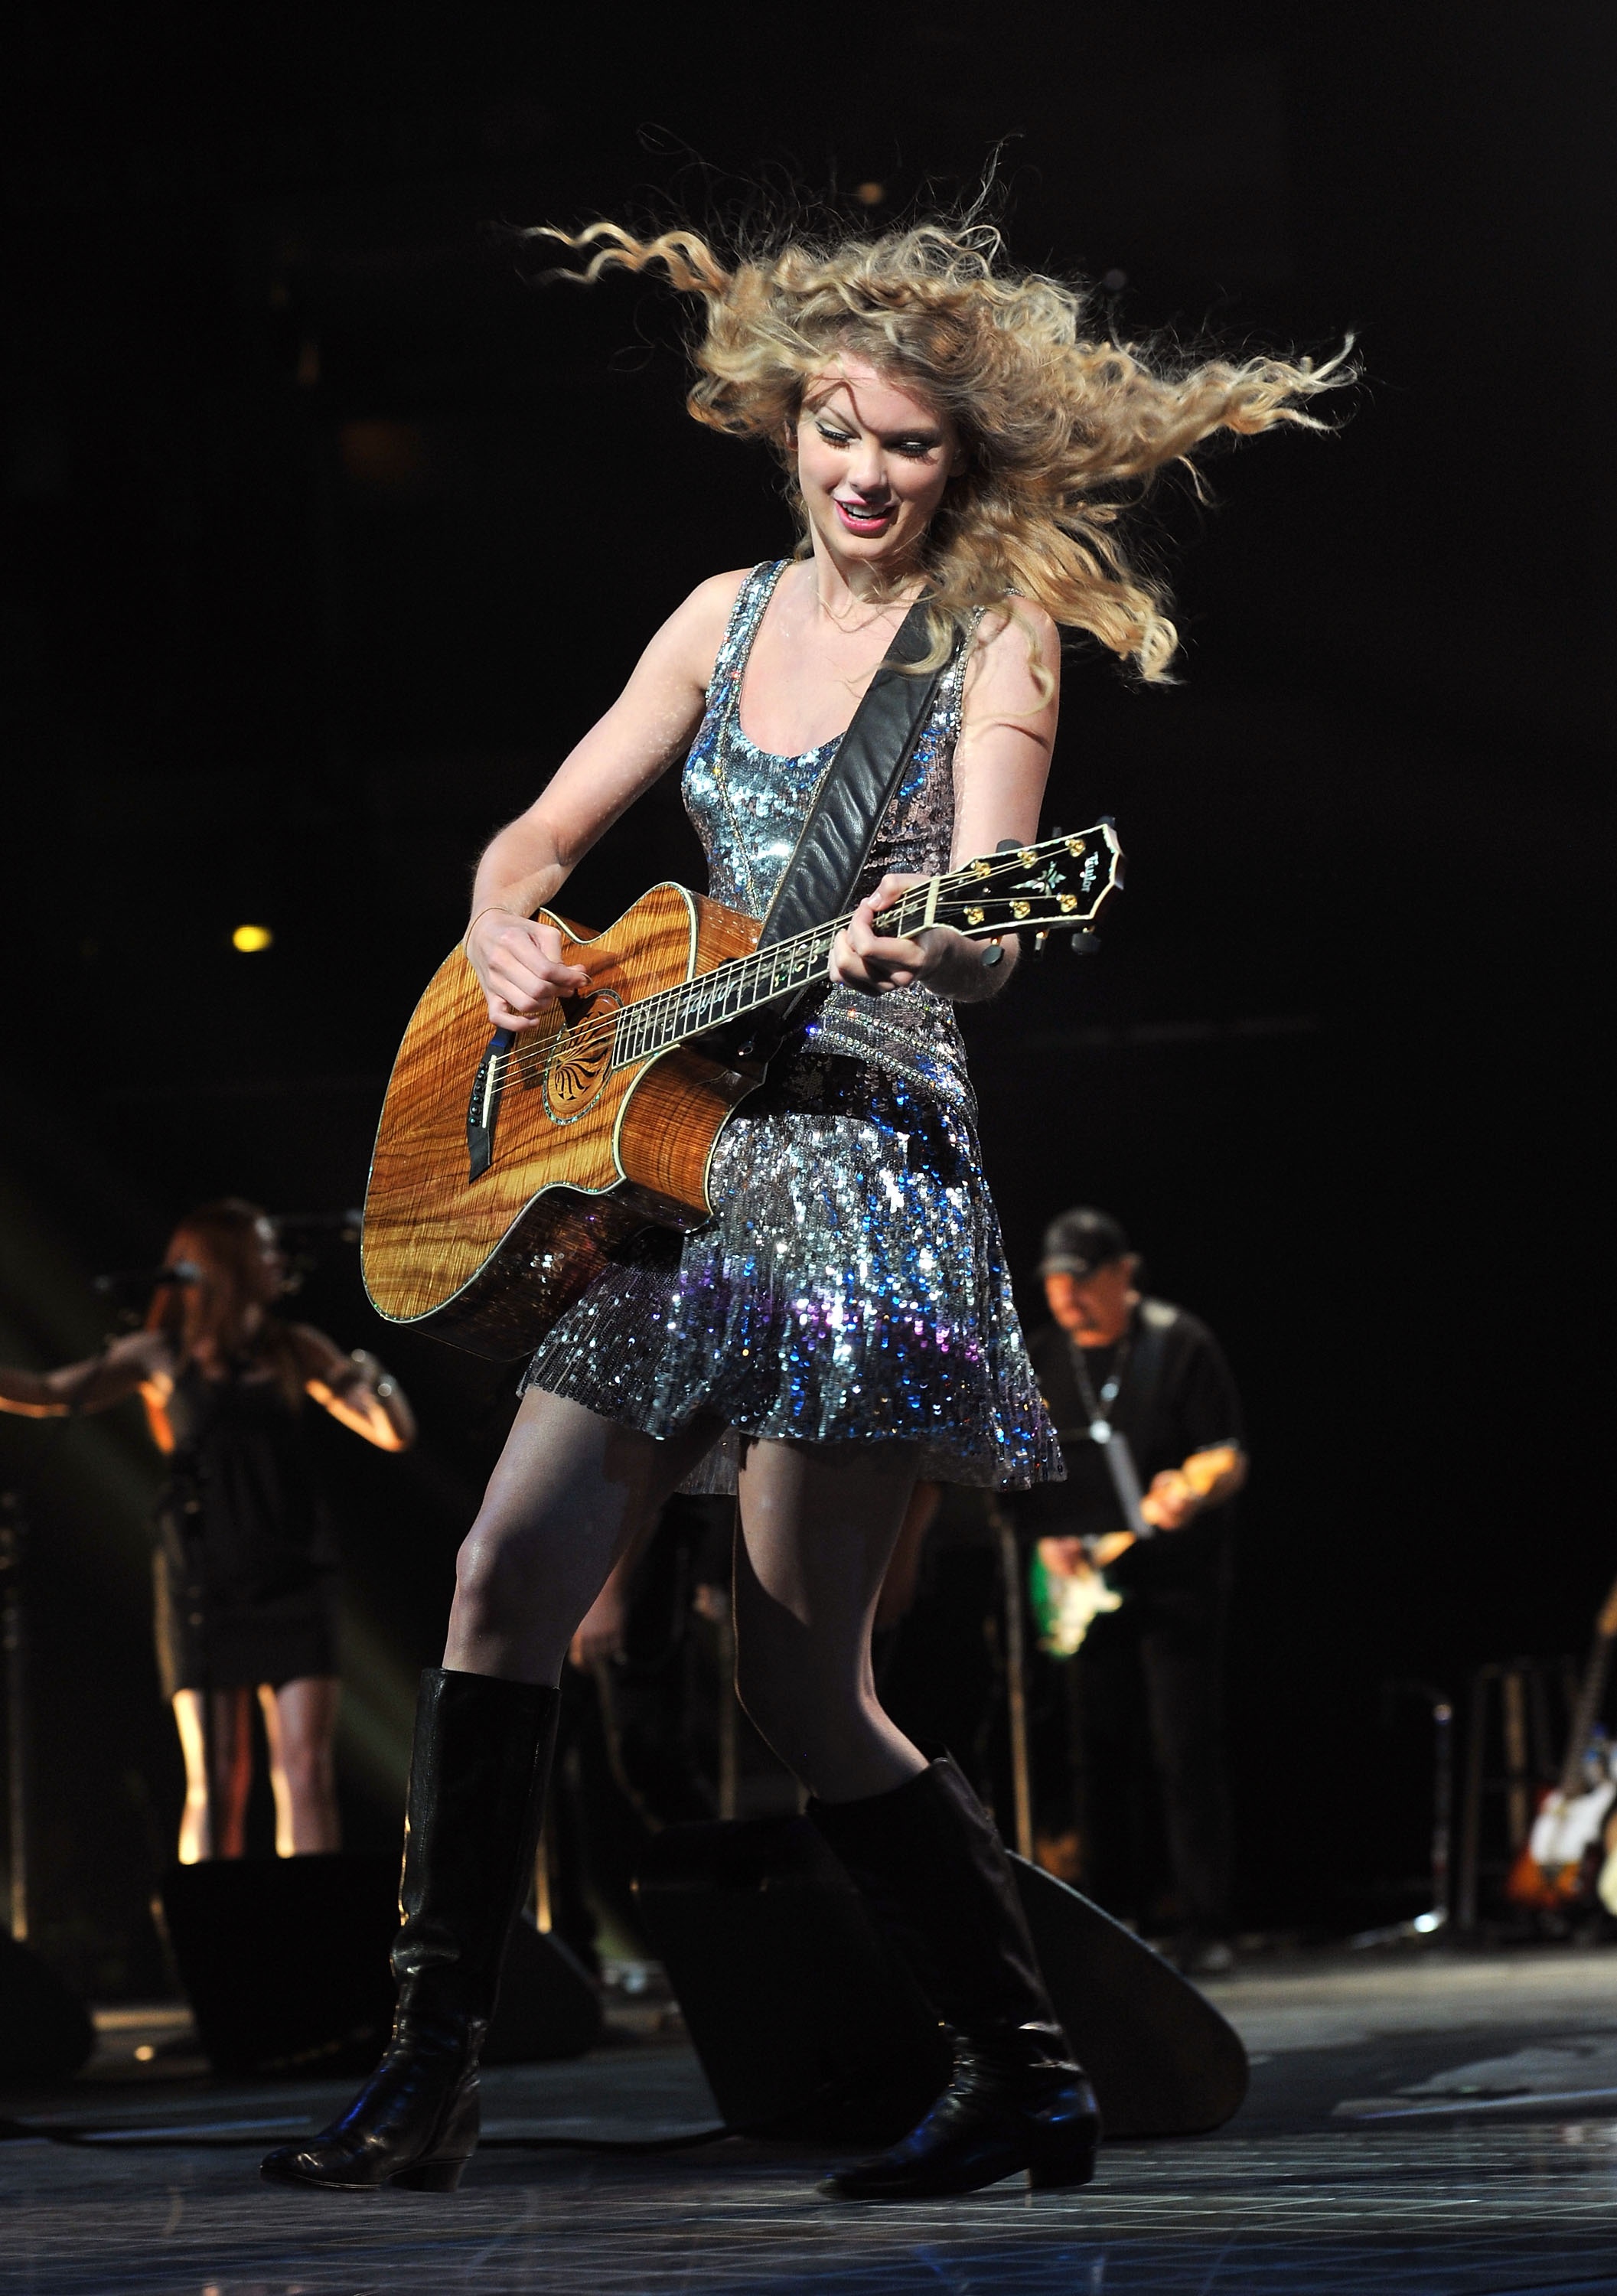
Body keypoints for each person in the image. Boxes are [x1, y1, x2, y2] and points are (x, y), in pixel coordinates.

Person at [261, 212, 1342, 2202]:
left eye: (909, 445)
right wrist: (507, 929)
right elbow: (531, 840)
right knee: (500, 1582)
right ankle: (425, 2073)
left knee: (793, 1675)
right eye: (838, 432)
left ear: (960, 461)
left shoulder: (993, 633)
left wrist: (940, 938)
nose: (866, 471)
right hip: (664, 1162)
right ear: (785, 427)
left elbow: (997, 925)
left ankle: (1022, 2072)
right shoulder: (717, 617)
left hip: (858, 1161)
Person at [0, 1199, 416, 1861]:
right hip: (202, 1580)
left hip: (294, 1576)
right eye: (263, 1246)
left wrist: (374, 1378)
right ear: (224, 1262)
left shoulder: (295, 1347)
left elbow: (393, 1433)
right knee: (217, 1779)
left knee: (304, 1771)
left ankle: (310, 1918)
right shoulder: (159, 1354)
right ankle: (215, 1918)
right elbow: (48, 1391)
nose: (277, 1259)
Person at [1019, 1208, 1247, 1972]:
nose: (1067, 1297)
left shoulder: (1175, 1343)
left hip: (1175, 1581)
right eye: (1056, 1282)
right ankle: (1111, 1920)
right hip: (1085, 1588)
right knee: (1096, 1753)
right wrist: (1048, 1533)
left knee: (1184, 1749)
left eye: (1083, 1281)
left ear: (1124, 1274)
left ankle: (1206, 1922)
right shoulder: (1043, 1355)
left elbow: (1226, 1454)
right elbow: (1027, 1472)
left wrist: (1191, 1489)